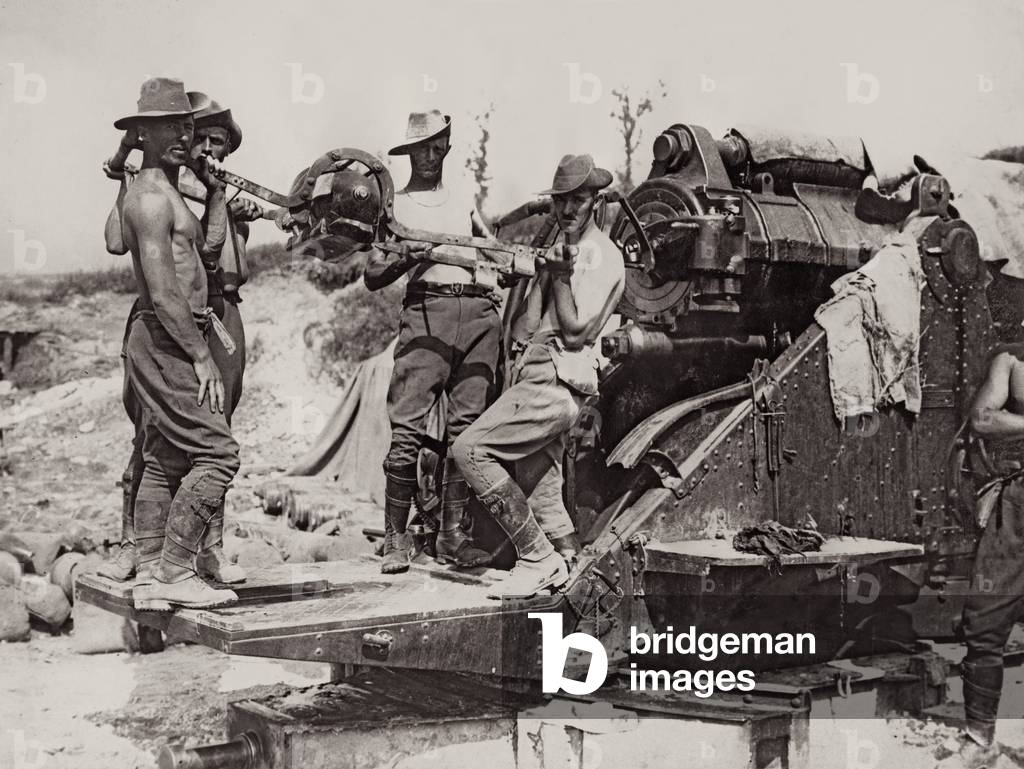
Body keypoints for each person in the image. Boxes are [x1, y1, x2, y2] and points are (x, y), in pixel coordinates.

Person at [99, 92, 262, 585]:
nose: (198, 144)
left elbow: (211, 257)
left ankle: (182, 560)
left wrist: (219, 200)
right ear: (146, 134)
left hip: (207, 318)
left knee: (188, 442)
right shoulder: (150, 193)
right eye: (189, 132)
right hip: (168, 327)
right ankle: (154, 559)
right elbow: (134, 259)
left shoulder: (196, 191)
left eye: (209, 137)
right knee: (182, 444)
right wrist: (123, 169)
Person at [451, 154, 625, 598]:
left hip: (558, 377)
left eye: (578, 200)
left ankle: (538, 559)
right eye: (560, 200)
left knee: (469, 450)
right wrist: (542, 275)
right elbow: (524, 327)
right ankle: (574, 572)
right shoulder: (563, 251)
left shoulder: (602, 255)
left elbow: (577, 331)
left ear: (596, 202)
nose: (567, 209)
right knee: (541, 489)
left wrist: (560, 277)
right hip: (535, 371)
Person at [363, 110, 497, 574]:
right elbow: (373, 274)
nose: (430, 156)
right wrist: (409, 256)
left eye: (438, 147)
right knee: (407, 430)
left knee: (467, 432)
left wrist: (498, 272)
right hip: (427, 312)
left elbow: (492, 248)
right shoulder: (395, 205)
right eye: (421, 148)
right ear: (409, 153)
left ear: (447, 149)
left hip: (479, 314)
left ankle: (452, 536)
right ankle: (395, 539)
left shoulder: (465, 198)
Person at [951, 343, 1024, 765]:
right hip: (1016, 505)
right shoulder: (1010, 363)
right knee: (984, 619)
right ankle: (980, 740)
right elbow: (982, 418)